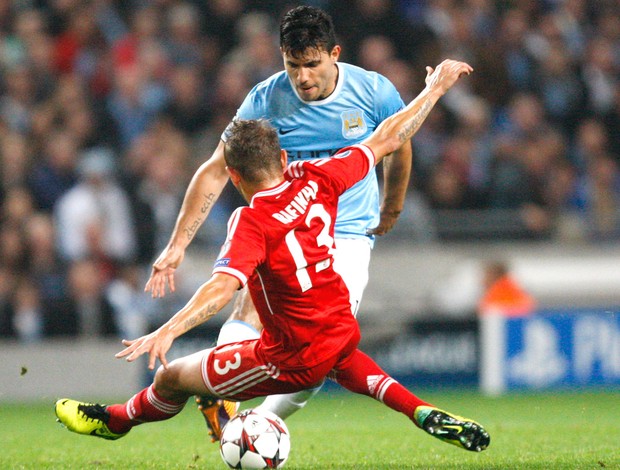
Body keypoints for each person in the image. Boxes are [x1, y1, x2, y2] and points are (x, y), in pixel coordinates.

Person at [55, 58, 490, 454]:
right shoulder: (319, 176)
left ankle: (116, 421)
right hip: (339, 332)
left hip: (286, 358)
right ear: (283, 157)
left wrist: (167, 330)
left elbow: (221, 286)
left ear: (235, 176)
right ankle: (419, 410)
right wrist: (434, 89)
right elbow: (388, 137)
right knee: (348, 365)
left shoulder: (251, 221)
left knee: (171, 378)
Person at [144, 5, 414, 437]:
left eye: (312, 64)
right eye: (293, 66)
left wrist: (392, 208)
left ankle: (260, 425)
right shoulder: (265, 99)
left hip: (346, 232)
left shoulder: (373, 91)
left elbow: (398, 145)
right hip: (286, 225)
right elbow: (217, 167)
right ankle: (225, 401)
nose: (303, 77)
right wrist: (176, 245)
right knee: (246, 305)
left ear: (334, 54)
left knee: (318, 347)